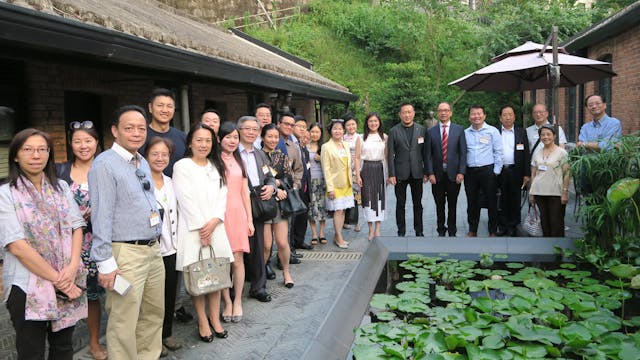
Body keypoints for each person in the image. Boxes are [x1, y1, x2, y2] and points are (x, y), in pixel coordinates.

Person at [1, 128, 87, 359]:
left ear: (49, 153)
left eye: (41, 149)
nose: (36, 155)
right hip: (27, 285)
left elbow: (76, 226)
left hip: (67, 277)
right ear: (16, 156)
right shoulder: (5, 194)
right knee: (31, 352)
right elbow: (16, 245)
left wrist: (71, 269)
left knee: (63, 348)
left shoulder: (61, 187)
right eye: (27, 149)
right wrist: (60, 280)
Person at [89, 105, 164, 359]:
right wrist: (104, 263)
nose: (136, 133)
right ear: (115, 131)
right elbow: (101, 215)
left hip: (153, 250)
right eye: (128, 128)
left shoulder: (140, 159)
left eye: (141, 128)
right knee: (124, 320)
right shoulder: (105, 165)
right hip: (126, 254)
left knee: (152, 314)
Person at [172, 123, 233, 342]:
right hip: (193, 231)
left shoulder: (216, 166)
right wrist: (202, 227)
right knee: (199, 277)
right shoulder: (182, 166)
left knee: (215, 275)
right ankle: (202, 321)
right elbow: (184, 199)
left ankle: (215, 318)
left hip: (216, 228)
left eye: (207, 140)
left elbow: (222, 196)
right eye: (198, 140)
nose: (203, 144)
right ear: (190, 142)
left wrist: (214, 221)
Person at [56, 121, 107, 360]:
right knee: (68, 295)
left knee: (95, 297)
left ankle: (95, 342)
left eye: (88, 140)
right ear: (71, 144)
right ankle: (62, 346)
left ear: (97, 143)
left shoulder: (105, 169)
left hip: (101, 244)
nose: (83, 146)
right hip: (71, 246)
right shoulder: (60, 172)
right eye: (77, 141)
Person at [143, 137, 182, 356]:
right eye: (155, 154)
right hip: (151, 249)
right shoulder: (141, 181)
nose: (160, 158)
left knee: (169, 294)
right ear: (146, 156)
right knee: (151, 299)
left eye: (164, 154)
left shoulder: (170, 181)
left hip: (172, 247)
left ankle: (166, 333)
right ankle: (152, 340)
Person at [237, 115, 277, 302]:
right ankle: (233, 288)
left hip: (258, 203)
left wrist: (272, 186)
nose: (251, 132)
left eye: (255, 129)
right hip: (237, 203)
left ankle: (258, 287)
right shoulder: (231, 152)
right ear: (239, 130)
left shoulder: (260, 154)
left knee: (259, 246)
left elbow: (270, 175)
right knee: (238, 247)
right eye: (247, 128)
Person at [218, 122, 254, 323]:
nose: (232, 141)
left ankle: (238, 299)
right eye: (228, 137)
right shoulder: (213, 161)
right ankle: (226, 301)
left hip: (238, 214)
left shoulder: (240, 160)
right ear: (219, 139)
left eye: (235, 137)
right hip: (220, 216)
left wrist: (249, 219)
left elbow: (245, 192)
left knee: (237, 259)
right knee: (223, 261)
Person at [423, 102, 467, 237]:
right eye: (441, 110)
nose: (443, 113)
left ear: (451, 112)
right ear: (437, 113)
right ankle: (441, 229)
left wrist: (461, 171)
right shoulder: (431, 131)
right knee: (439, 205)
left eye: (446, 110)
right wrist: (430, 173)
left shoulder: (459, 130)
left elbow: (463, 153)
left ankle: (452, 230)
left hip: (454, 175)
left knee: (453, 204)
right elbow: (428, 154)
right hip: (437, 175)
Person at [261, 124, 295, 288]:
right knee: (266, 245)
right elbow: (258, 181)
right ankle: (261, 277)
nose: (273, 140)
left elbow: (289, 179)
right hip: (264, 203)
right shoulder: (257, 156)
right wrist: (275, 189)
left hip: (280, 204)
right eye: (270, 136)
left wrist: (279, 184)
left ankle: (286, 272)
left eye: (276, 137)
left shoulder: (282, 156)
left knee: (282, 242)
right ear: (262, 137)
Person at [386, 103, 426, 237]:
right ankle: (401, 231)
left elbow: (425, 152)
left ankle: (419, 231)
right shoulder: (394, 131)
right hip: (400, 173)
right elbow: (390, 154)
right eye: (404, 112)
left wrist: (426, 171)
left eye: (409, 112)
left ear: (414, 113)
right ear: (400, 114)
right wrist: (391, 174)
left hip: (417, 172)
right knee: (400, 205)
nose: (407, 115)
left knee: (418, 204)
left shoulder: (421, 129)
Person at [464, 105, 503, 237]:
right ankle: (473, 229)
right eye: (473, 114)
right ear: (469, 117)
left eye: (479, 114)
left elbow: (498, 152)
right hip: (470, 173)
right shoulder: (465, 133)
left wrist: (496, 171)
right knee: (472, 202)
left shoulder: (492, 131)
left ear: (484, 115)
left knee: (492, 202)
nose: (476, 116)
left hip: (488, 171)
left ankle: (492, 230)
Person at [529, 125, 570, 237]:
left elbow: (567, 173)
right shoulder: (537, 153)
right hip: (539, 192)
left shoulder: (562, 152)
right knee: (545, 222)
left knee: (556, 222)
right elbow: (533, 174)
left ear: (554, 136)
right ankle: (546, 248)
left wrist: (565, 192)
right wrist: (531, 193)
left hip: (556, 192)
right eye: (542, 135)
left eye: (548, 134)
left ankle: (558, 249)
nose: (545, 137)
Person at [497, 106, 530, 237]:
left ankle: (514, 225)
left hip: (516, 171)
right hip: (500, 170)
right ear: (500, 117)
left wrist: (527, 174)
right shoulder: (495, 132)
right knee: (501, 199)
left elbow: (526, 153)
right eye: (505, 115)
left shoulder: (521, 132)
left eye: (510, 114)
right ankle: (503, 226)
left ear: (514, 116)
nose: (508, 117)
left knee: (515, 198)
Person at [276, 113, 304, 265]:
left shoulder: (293, 147)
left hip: (289, 191)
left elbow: (299, 169)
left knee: (289, 224)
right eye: (286, 124)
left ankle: (287, 255)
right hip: (273, 191)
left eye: (292, 125)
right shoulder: (271, 142)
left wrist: (295, 185)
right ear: (279, 123)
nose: (289, 127)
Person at [321, 120, 354, 248]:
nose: (338, 131)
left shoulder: (345, 145)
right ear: (330, 131)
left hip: (347, 183)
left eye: (340, 129)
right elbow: (326, 169)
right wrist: (330, 188)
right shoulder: (326, 147)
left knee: (343, 211)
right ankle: (339, 236)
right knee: (338, 210)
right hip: (335, 184)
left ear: (343, 131)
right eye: (335, 129)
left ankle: (337, 235)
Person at [140, 88, 187, 177]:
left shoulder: (183, 137)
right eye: (160, 105)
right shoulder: (140, 137)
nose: (165, 110)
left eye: (169, 106)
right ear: (150, 108)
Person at [356, 112, 387, 241]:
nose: (373, 123)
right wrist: (358, 175)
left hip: (380, 169)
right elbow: (357, 158)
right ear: (367, 123)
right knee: (367, 199)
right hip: (366, 169)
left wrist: (389, 174)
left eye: (375, 121)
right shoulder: (361, 138)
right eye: (370, 121)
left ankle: (378, 229)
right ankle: (370, 230)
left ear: (379, 122)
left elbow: (387, 157)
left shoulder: (385, 137)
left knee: (380, 199)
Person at [291, 115, 313, 251]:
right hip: (295, 186)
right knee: (293, 217)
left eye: (304, 127)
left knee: (303, 215)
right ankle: (291, 245)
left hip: (305, 186)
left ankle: (299, 240)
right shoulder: (289, 144)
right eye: (299, 126)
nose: (302, 129)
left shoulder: (302, 145)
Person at [307, 122, 328, 245]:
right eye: (312, 131)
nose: (315, 134)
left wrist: (322, 159)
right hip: (310, 181)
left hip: (322, 180)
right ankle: (314, 234)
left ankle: (322, 233)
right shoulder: (305, 147)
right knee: (312, 208)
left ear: (321, 134)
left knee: (322, 207)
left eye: (317, 132)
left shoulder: (324, 147)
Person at [343, 113, 363, 232]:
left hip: (357, 169)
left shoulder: (359, 137)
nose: (351, 127)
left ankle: (356, 222)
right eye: (348, 125)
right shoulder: (342, 137)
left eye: (353, 124)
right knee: (346, 195)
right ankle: (346, 220)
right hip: (344, 170)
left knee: (356, 197)